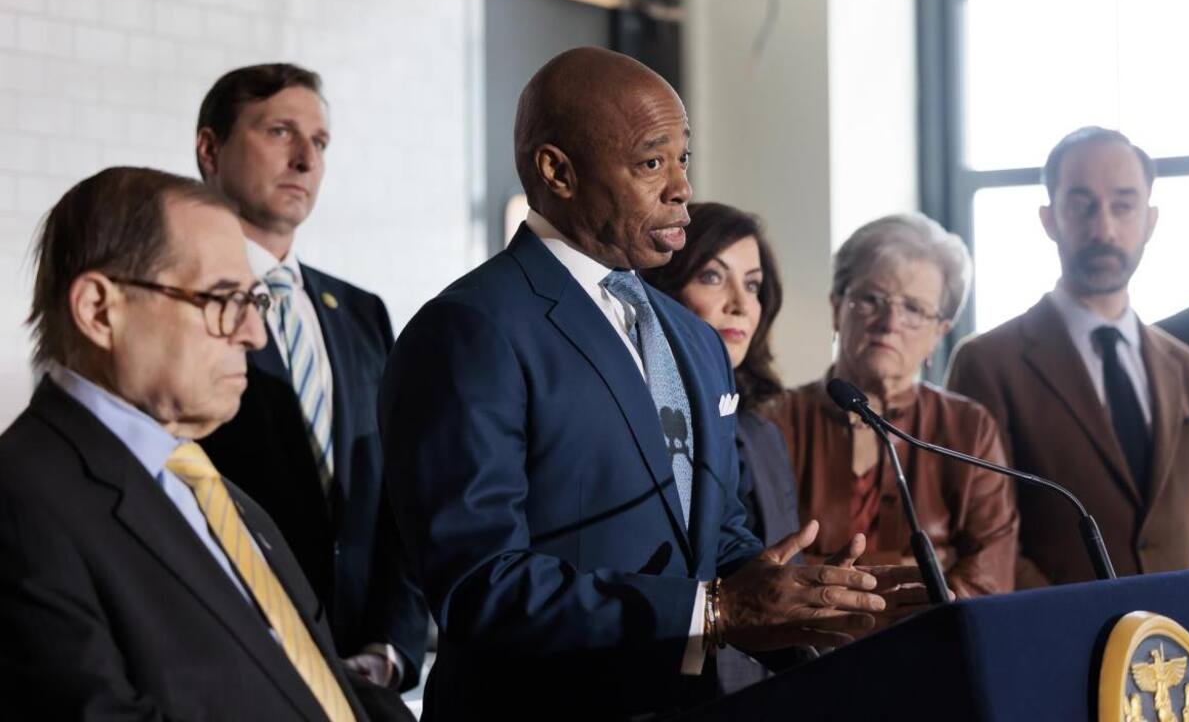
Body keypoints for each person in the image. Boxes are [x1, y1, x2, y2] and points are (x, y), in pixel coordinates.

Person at [379, 47, 922, 720]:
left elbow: (710, 526)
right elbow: (479, 586)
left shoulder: (691, 338)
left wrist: (800, 598)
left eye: (683, 160)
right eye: (650, 162)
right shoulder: (469, 330)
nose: (681, 188)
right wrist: (715, 608)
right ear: (558, 171)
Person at [0, 166, 368, 720]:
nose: (255, 334)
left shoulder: (218, 492)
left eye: (256, 302)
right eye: (223, 300)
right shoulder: (20, 500)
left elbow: (320, 686)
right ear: (100, 310)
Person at [194, 63, 427, 695]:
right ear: (210, 149)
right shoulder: (180, 304)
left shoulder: (360, 312)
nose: (304, 159)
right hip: (232, 669)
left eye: (319, 142)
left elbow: (396, 501)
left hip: (363, 678)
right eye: (279, 132)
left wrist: (392, 646)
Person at [948, 127, 1189, 586]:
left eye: (1123, 205)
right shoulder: (987, 363)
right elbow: (981, 537)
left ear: (1150, 220)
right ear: (1049, 218)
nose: (1103, 228)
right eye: (1082, 204)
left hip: (1180, 645)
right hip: (1054, 643)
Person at [769, 212, 1018, 599]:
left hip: (933, 648)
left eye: (914, 310)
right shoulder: (776, 418)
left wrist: (828, 569)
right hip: (804, 651)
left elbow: (989, 578)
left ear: (939, 333)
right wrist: (915, 571)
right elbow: (763, 565)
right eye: (872, 300)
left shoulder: (968, 427)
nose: (890, 323)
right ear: (837, 308)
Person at [641, 201, 803, 693]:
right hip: (661, 683)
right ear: (666, 291)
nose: (740, 303)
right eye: (713, 278)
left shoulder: (762, 431)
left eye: (752, 285)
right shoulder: (641, 417)